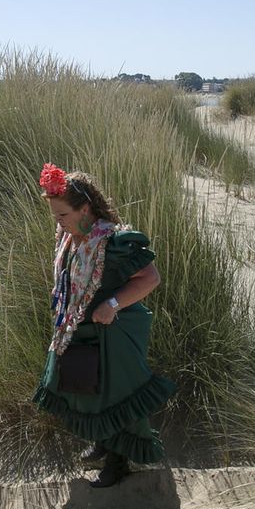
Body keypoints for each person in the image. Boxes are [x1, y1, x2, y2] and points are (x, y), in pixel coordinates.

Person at [33, 164, 175, 488]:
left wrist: (112, 305)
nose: (59, 223)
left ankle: (118, 462)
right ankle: (103, 442)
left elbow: (151, 278)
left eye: (62, 215)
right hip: (82, 330)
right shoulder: (71, 237)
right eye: (56, 216)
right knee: (87, 389)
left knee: (116, 394)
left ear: (85, 209)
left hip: (114, 333)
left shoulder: (113, 241)